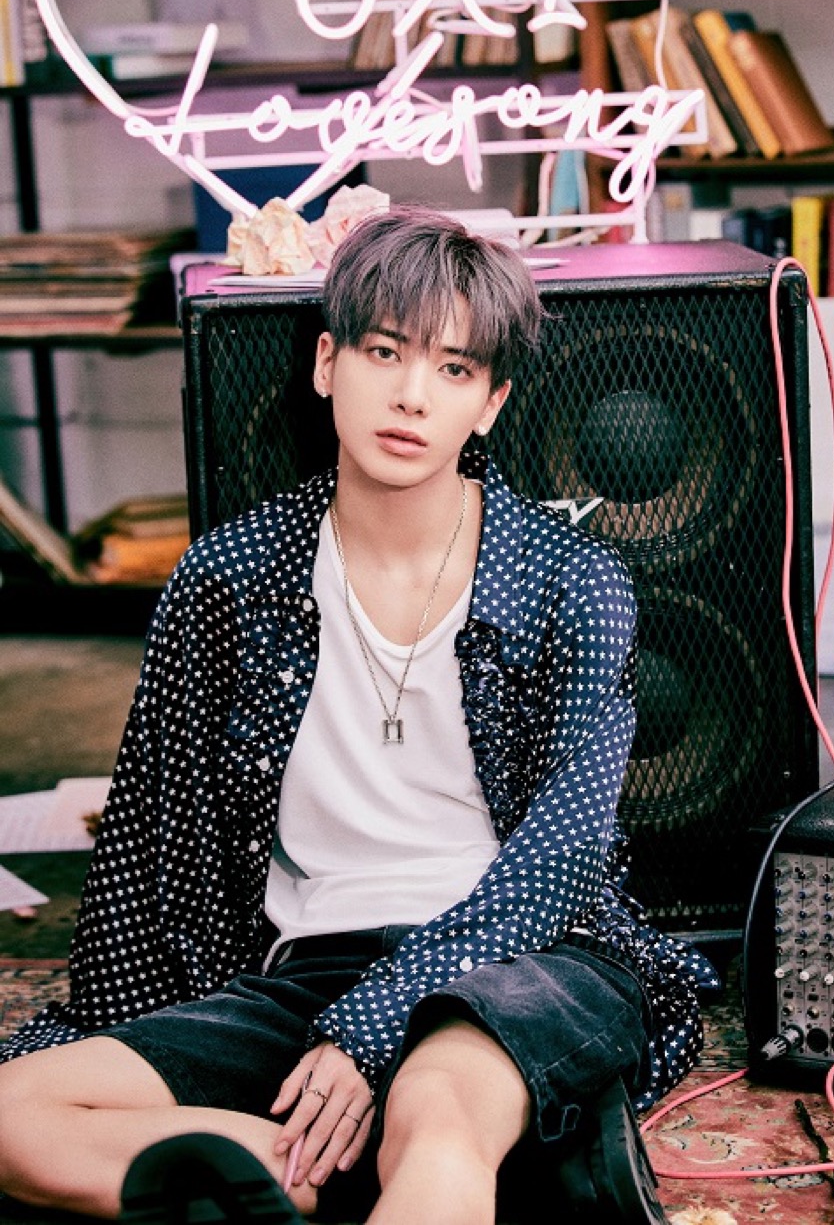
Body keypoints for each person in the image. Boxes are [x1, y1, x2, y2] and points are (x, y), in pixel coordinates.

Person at [0, 207, 718, 1225]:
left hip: (521, 953)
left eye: (454, 369)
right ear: (327, 364)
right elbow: (152, 836)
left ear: (491, 404)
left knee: (436, 1121)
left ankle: (372, 1161)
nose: (413, 394)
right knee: (11, 1111)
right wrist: (123, 1037)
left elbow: (561, 860)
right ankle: (280, 1173)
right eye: (385, 352)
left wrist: (380, 1019)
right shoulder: (230, 576)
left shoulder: (572, 582)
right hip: (313, 964)